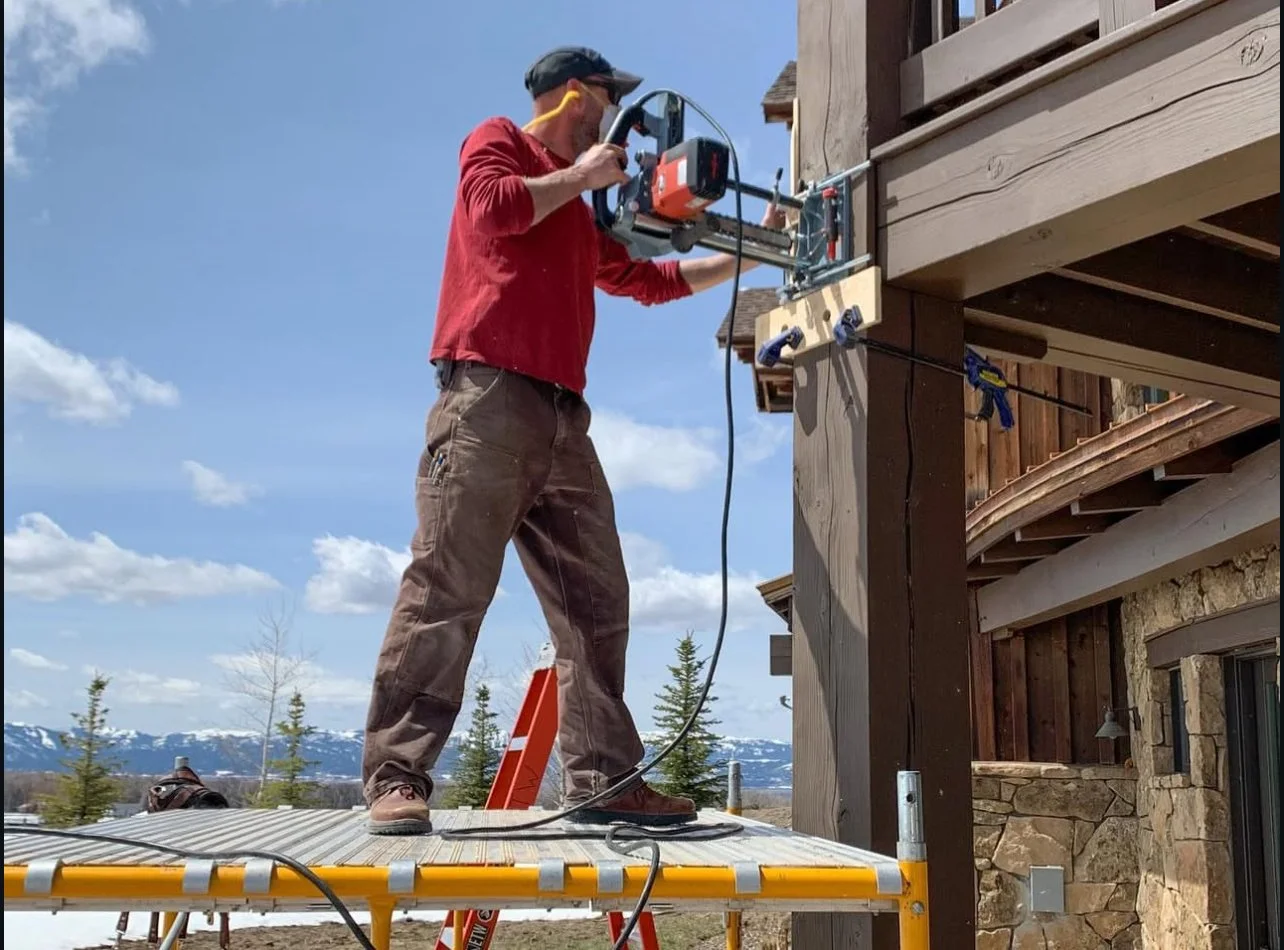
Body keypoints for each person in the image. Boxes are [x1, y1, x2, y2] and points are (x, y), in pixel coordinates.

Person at [361, 46, 783, 835]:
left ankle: (602, 780)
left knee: (597, 599)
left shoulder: (582, 212)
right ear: (578, 97)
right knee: (448, 588)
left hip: (563, 417)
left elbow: (646, 282)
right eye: (609, 105)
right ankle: (397, 776)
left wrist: (742, 252)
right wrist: (583, 177)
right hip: (484, 399)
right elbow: (492, 209)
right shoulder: (499, 141)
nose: (619, 127)